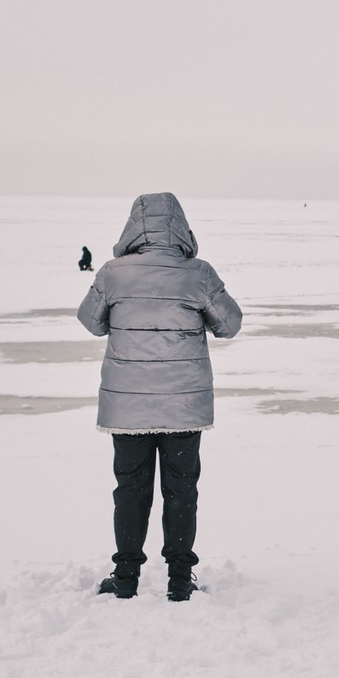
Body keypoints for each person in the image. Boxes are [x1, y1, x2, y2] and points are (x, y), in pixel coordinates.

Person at [77, 192, 242, 601]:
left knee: (130, 489)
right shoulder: (198, 273)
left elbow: (90, 321)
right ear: (181, 227)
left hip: (128, 404)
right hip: (183, 405)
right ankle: (180, 582)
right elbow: (230, 324)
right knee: (181, 489)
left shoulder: (113, 274)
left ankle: (126, 578)